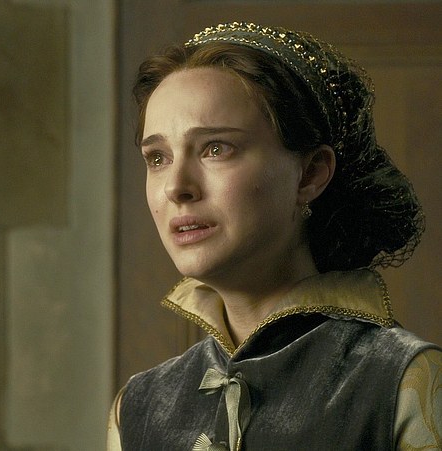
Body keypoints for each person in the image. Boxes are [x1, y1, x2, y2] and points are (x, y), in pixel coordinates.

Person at [107, 22, 442, 450]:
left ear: (310, 174)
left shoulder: (404, 383)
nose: (176, 187)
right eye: (157, 157)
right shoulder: (136, 408)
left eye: (215, 148)